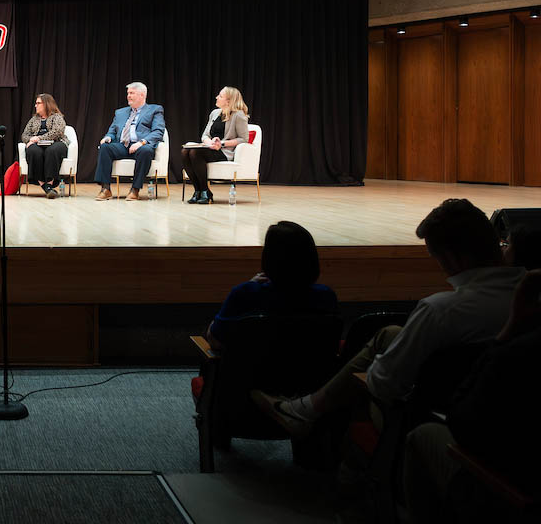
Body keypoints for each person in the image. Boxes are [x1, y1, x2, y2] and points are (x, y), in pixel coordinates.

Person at [252, 199, 525, 438]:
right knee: (390, 334)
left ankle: (346, 472)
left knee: (364, 382)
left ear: (452, 258)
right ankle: (306, 410)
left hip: (438, 420)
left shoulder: (440, 311)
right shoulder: (529, 298)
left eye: (436, 257)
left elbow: (383, 385)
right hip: (516, 411)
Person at [402, 269, 541, 523]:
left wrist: (508, 331)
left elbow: (460, 422)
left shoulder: (519, 353)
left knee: (422, 435)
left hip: (512, 497)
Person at [205, 221, 338, 349]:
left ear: (268, 258)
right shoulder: (326, 296)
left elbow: (216, 341)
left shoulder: (245, 294)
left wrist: (250, 285)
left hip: (251, 371)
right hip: (310, 371)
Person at [94, 81, 166, 201]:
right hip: (123, 145)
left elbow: (158, 131)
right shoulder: (120, 112)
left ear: (142, 95)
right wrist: (107, 137)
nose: (128, 96)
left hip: (141, 145)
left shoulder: (155, 110)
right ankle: (105, 189)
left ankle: (135, 190)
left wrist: (141, 142)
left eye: (132, 93)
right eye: (128, 93)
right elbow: (112, 131)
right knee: (105, 148)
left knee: (146, 151)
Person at [182, 86, 250, 205]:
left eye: (220, 96)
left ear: (229, 101)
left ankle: (204, 191)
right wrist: (210, 143)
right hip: (210, 148)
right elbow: (205, 135)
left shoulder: (238, 115)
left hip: (224, 152)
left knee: (194, 153)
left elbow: (244, 139)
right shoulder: (215, 113)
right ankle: (198, 191)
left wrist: (221, 144)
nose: (217, 97)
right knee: (185, 152)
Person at [20, 93, 69, 199]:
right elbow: (24, 135)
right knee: (33, 151)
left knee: (52, 151)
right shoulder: (34, 119)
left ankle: (50, 183)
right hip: (38, 145)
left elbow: (57, 132)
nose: (35, 105)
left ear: (46, 104)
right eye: (36, 103)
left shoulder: (57, 117)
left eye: (38, 103)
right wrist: (30, 140)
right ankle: (46, 187)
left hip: (57, 143)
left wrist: (39, 138)